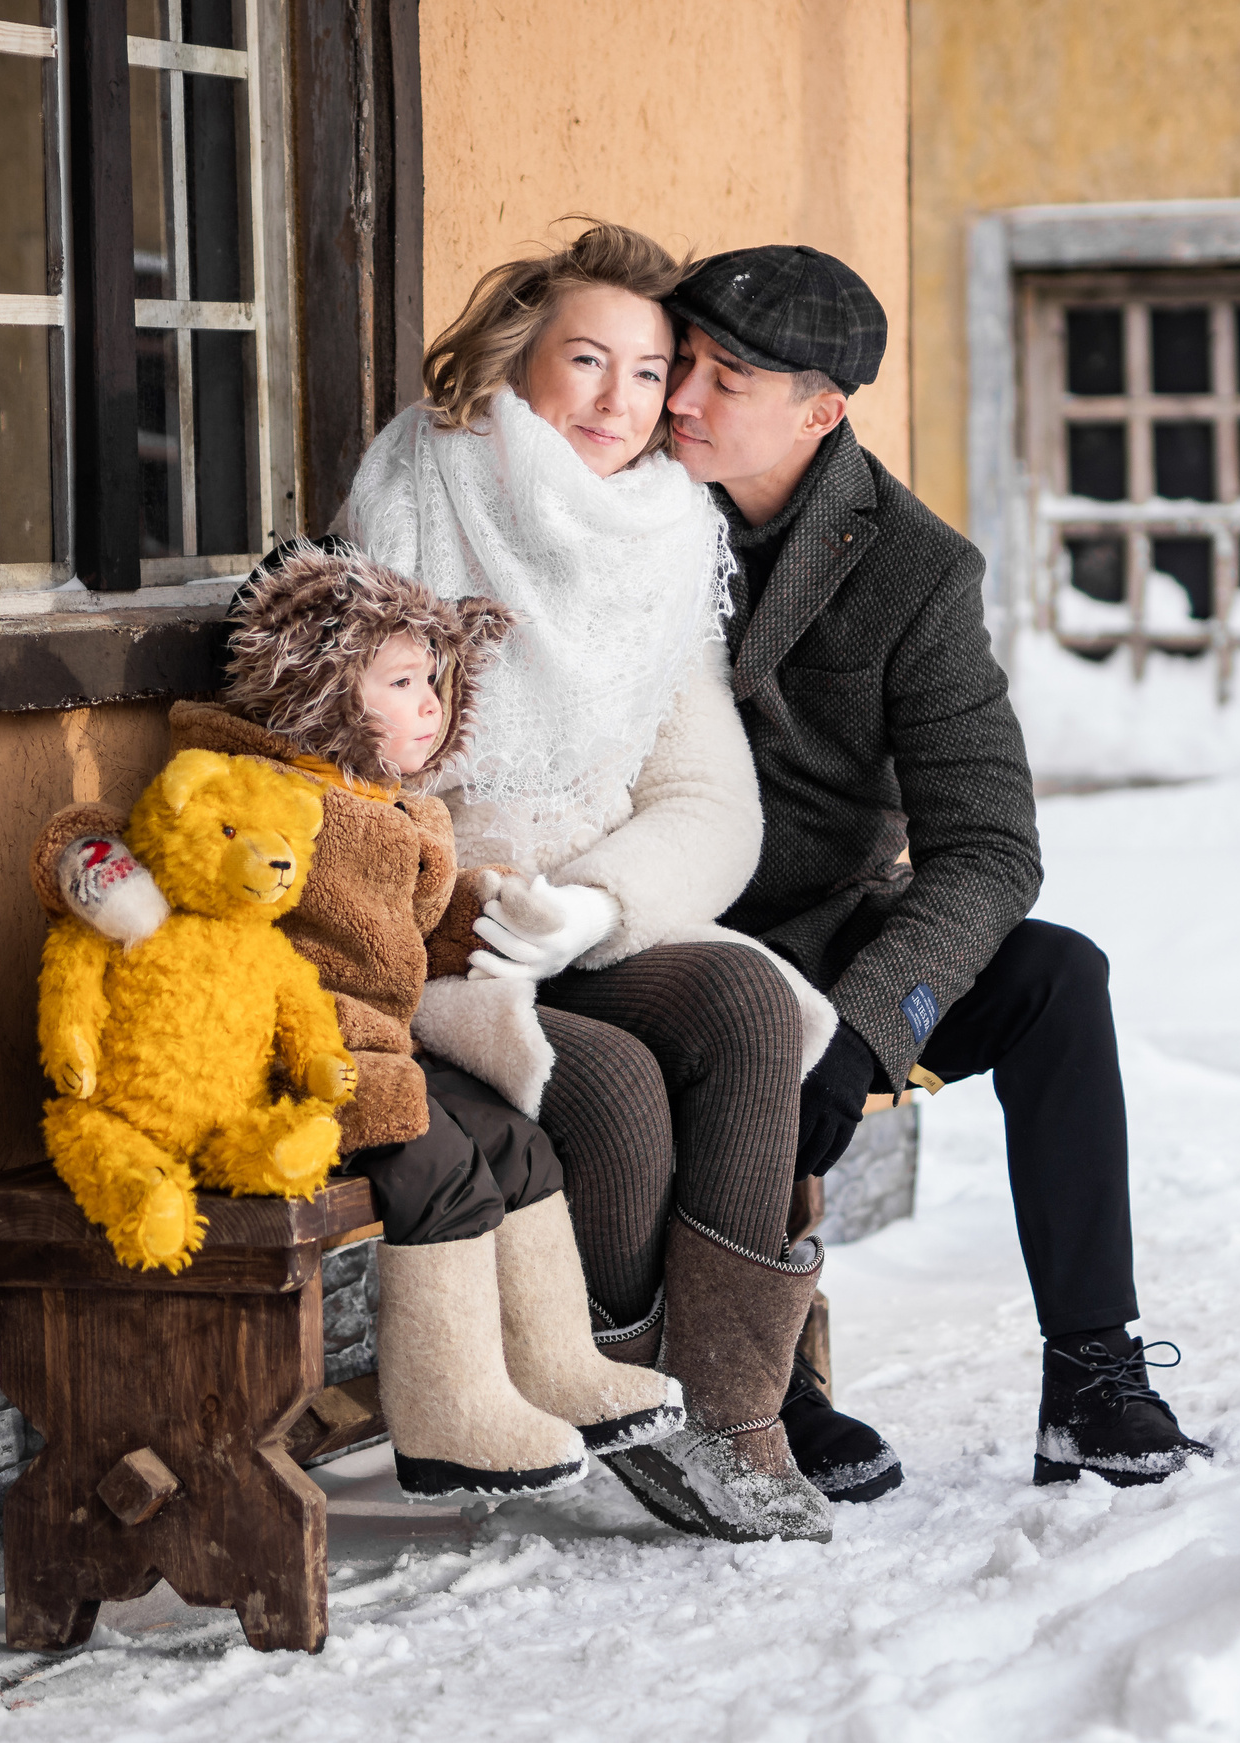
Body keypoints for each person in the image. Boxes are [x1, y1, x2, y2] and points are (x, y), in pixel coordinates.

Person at [321, 222, 851, 1542]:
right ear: (521, 358)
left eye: (650, 369)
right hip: (430, 940)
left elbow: (710, 800)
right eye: (587, 360)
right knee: (605, 1082)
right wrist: (472, 899)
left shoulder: (664, 536)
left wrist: (596, 906)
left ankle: (733, 1411)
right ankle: (629, 1388)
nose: (620, 400)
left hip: (567, 926)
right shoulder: (420, 500)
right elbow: (342, 769)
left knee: (746, 1003)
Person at [661, 244, 1213, 1490]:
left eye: (726, 378)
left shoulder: (913, 567)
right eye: (680, 359)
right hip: (658, 929)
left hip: (823, 934)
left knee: (1058, 978)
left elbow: (990, 844)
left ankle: (1091, 1374)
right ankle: (756, 1381)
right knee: (728, 1026)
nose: (680, 397)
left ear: (820, 412)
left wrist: (868, 1026)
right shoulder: (623, 502)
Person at [27, 549, 685, 1502]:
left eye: (436, 682)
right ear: (322, 681)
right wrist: (91, 867)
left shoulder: (403, 811)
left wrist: (491, 908)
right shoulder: (251, 779)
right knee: (440, 1165)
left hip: (380, 1047)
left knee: (517, 1142)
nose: (431, 705)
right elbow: (131, 839)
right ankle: (448, 1410)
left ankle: (555, 1366)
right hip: (279, 1062)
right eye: (403, 682)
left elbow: (422, 932)